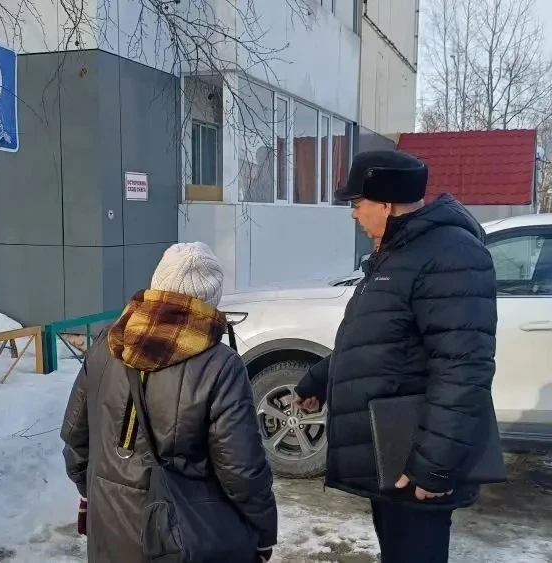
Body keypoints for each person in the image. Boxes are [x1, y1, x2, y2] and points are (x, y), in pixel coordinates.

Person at [293, 150, 497, 563]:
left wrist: (435, 465)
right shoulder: (399, 252)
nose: (354, 214)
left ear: (385, 203)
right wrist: (319, 379)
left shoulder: (449, 255)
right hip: (391, 452)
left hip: (416, 456)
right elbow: (380, 339)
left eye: (357, 203)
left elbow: (463, 368)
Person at [60, 242, 278, 563]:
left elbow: (76, 439)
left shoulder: (107, 344)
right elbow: (241, 469)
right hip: (185, 537)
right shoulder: (219, 364)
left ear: (157, 283)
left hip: (108, 525)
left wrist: (90, 493)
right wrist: (263, 533)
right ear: (211, 298)